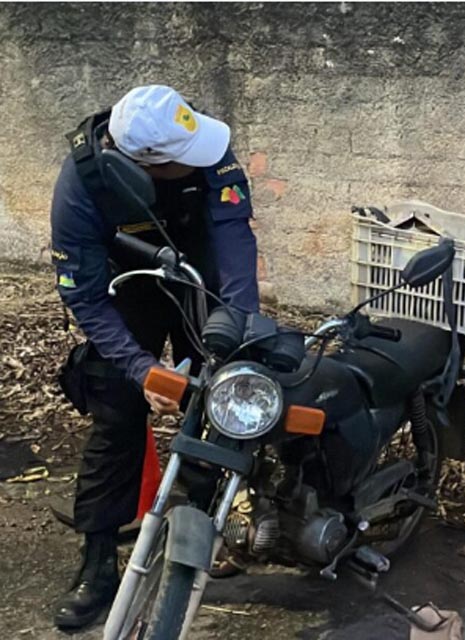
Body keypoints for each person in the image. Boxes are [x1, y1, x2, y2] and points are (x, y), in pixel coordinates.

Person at [49, 85, 259, 630]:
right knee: (116, 415)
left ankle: (201, 528)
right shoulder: (82, 186)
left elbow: (235, 235)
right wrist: (139, 368)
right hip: (126, 286)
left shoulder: (196, 139)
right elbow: (84, 295)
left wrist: (237, 321)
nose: (203, 158)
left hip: (202, 280)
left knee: (224, 402)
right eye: (182, 161)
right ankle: (97, 566)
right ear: (144, 163)